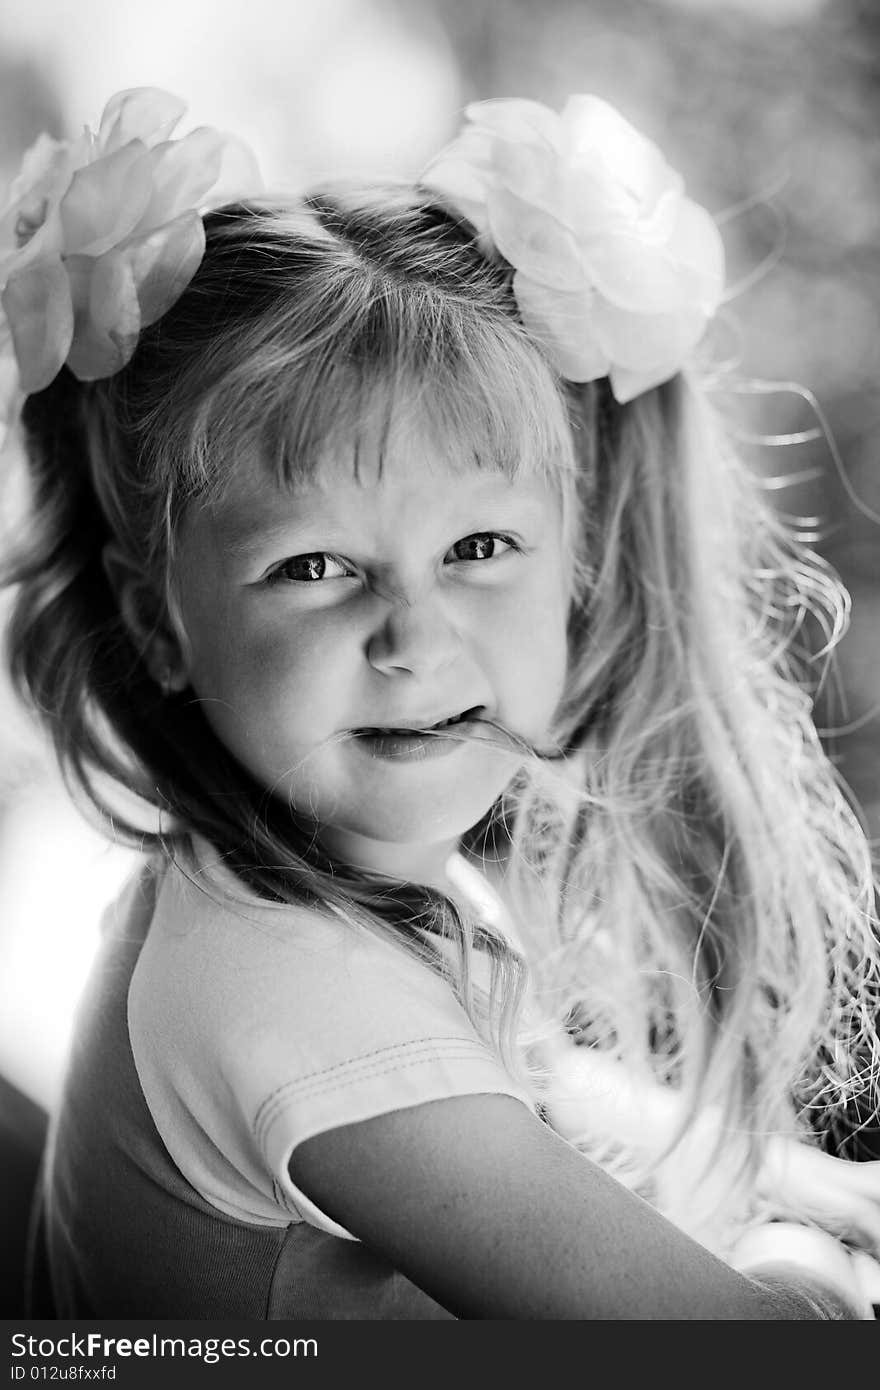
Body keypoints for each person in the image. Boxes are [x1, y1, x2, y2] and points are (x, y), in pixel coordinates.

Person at [1, 87, 879, 1320]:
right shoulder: (284, 992)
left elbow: (528, 1081)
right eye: (314, 568)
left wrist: (809, 1182)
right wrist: (809, 1266)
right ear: (159, 621)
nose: (414, 636)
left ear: (575, 560)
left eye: (476, 545)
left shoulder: (281, 890)